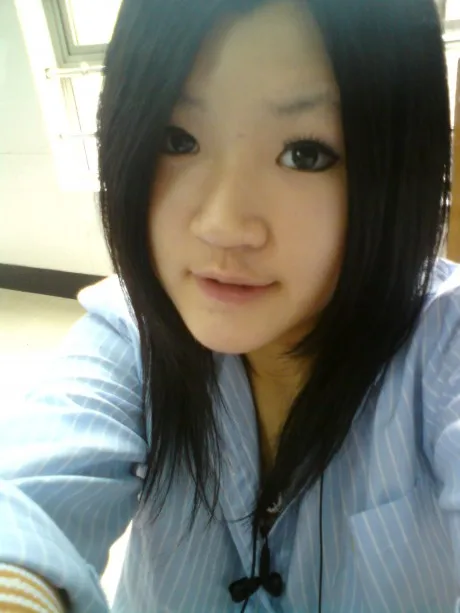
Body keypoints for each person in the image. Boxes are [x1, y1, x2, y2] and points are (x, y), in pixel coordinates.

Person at [0, 0, 458, 611]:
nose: (221, 224)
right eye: (178, 140)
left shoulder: (444, 343)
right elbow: (26, 500)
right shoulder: (133, 330)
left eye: (306, 153)